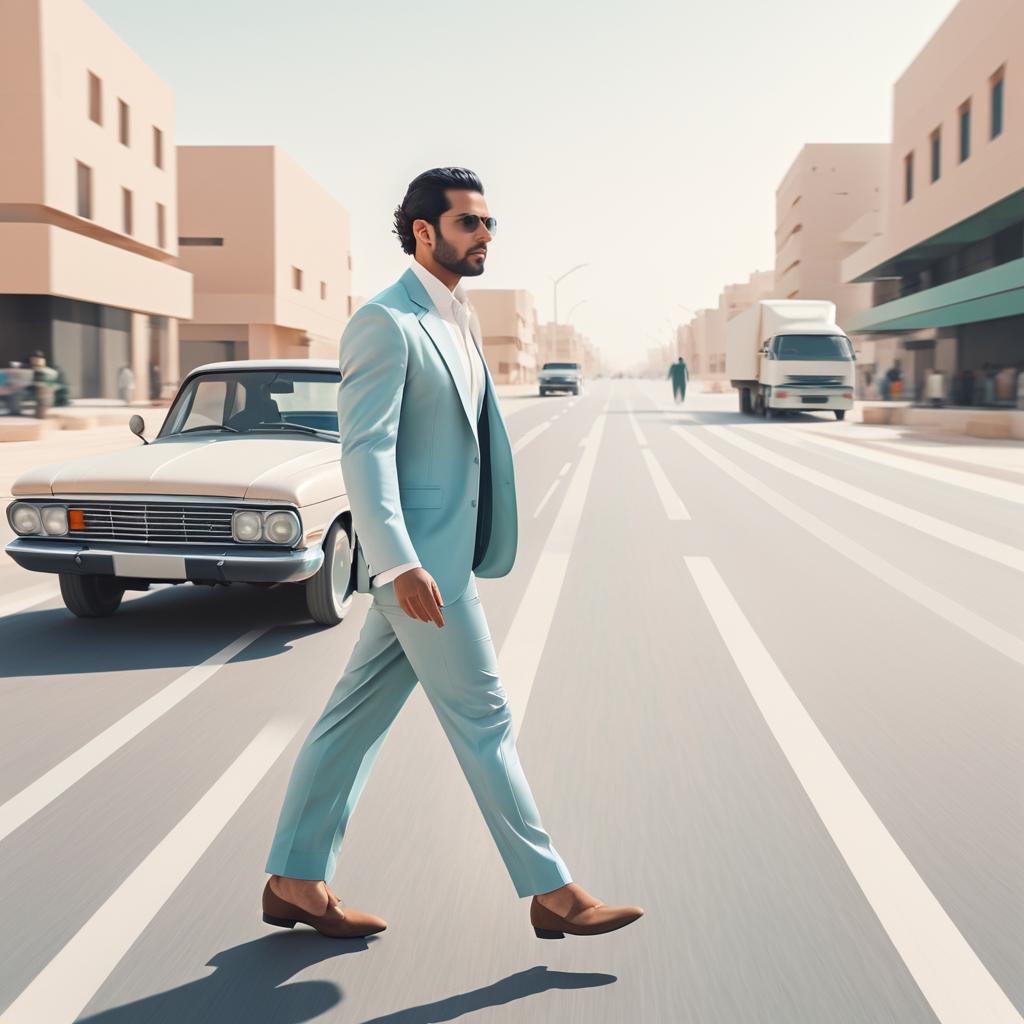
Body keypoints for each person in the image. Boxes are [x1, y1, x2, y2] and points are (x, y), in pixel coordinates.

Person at [262, 167, 644, 941]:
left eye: (490, 224)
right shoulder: (386, 322)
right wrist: (397, 562)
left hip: (443, 562)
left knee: (350, 721)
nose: (487, 237)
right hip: (423, 571)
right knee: (486, 718)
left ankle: (295, 879)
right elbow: (364, 452)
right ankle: (552, 892)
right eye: (471, 223)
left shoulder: (458, 319)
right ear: (424, 232)